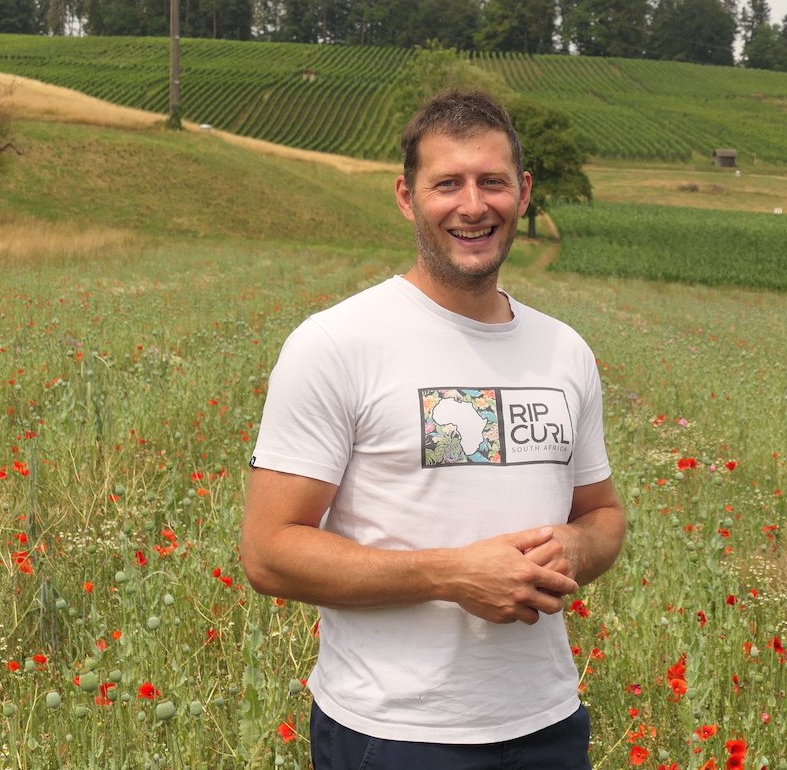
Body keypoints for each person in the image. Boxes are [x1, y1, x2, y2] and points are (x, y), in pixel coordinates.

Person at [240, 89, 626, 770]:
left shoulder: (564, 351)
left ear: (524, 193)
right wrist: (452, 574)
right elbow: (269, 552)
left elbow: (603, 516)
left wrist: (574, 545)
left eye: (492, 182)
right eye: (447, 183)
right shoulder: (337, 344)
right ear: (406, 197)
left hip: (549, 725)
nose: (472, 205)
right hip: (393, 733)